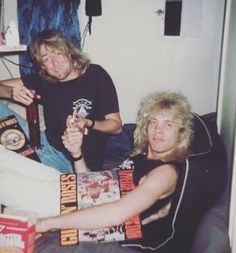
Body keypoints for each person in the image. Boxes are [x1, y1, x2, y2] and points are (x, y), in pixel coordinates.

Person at [34, 91, 193, 252]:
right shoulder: (139, 158)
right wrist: (77, 155)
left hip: (71, 210)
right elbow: (91, 185)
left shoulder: (166, 172)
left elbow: (117, 214)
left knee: (10, 175)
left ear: (180, 134)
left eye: (168, 124)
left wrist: (46, 224)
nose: (158, 130)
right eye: (153, 122)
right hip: (72, 197)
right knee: (13, 164)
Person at [0, 29, 122, 173]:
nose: (54, 63)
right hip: (45, 146)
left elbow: (116, 127)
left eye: (58, 53)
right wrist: (11, 93)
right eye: (46, 59)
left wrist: (88, 122)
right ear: (42, 66)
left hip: (77, 163)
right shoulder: (44, 81)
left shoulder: (95, 75)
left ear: (69, 53)